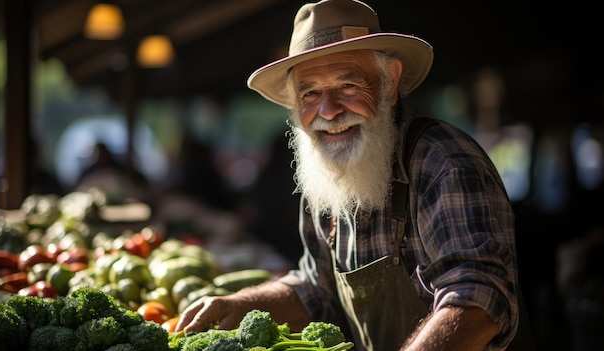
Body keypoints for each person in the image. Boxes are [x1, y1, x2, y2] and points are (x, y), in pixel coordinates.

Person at [177, 1, 529, 350]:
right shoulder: (327, 174)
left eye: (347, 85)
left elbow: (476, 301)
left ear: (389, 82)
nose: (328, 112)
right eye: (310, 93)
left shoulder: (442, 162)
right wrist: (238, 305)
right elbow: (317, 289)